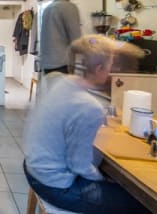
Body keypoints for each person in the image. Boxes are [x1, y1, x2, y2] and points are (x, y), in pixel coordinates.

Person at [23, 35, 148, 213]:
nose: (113, 70)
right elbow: (79, 165)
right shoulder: (89, 107)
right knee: (140, 203)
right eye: (111, 65)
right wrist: (102, 179)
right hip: (55, 186)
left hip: (32, 168)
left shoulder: (56, 81)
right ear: (99, 69)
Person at [40, 0, 82, 74]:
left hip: (46, 63)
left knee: (53, 89)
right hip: (62, 63)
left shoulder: (47, 9)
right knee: (64, 89)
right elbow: (76, 38)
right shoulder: (69, 7)